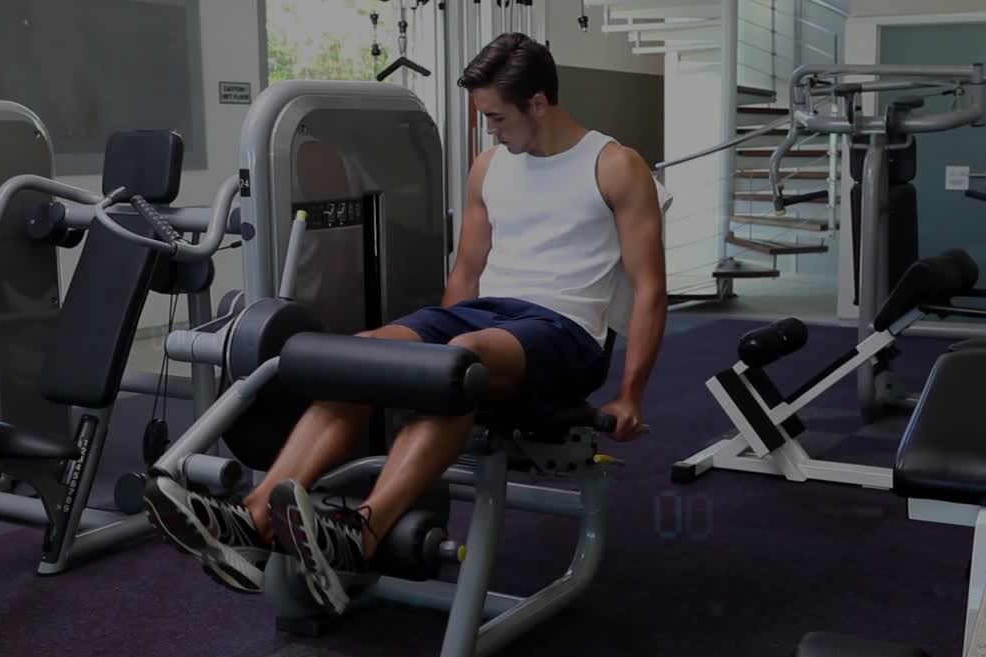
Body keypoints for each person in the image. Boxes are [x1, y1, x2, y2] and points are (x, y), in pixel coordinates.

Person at [143, 32, 667, 615]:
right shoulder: (490, 166)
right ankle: (253, 520)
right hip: (481, 317)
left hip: (565, 332)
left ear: (538, 103)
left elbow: (649, 291)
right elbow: (466, 275)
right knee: (365, 355)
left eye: (496, 116)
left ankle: (360, 536)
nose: (489, 129)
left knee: (457, 357)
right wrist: (419, 346)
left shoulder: (615, 165)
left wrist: (631, 393)